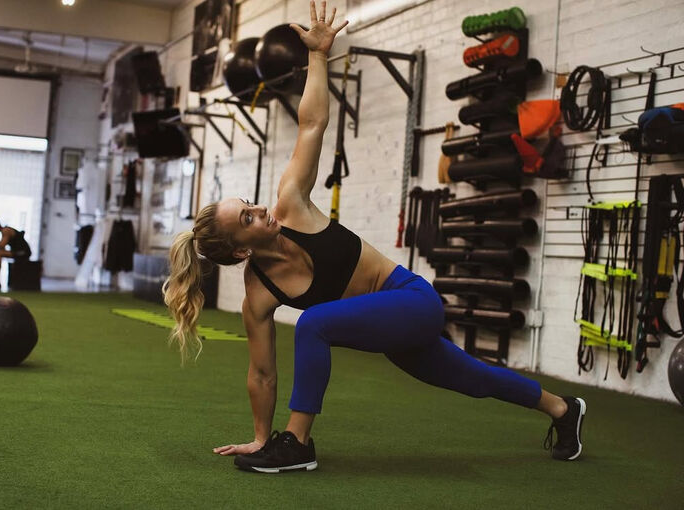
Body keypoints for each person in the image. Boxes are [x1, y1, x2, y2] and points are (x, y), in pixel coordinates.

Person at [163, 1, 586, 474]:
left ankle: (298, 445)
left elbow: (312, 124)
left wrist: (319, 56)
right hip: (387, 330)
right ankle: (564, 409)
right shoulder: (258, 295)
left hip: (410, 299)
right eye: (248, 218)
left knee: (313, 323)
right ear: (242, 250)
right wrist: (258, 439)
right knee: (473, 378)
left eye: (249, 203)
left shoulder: (291, 204)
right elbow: (261, 373)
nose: (260, 209)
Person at [0, 218, 32, 290]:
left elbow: (2, 246)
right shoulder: (4, 231)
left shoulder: (6, 231)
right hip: (17, 252)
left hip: (23, 253)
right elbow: (2, 249)